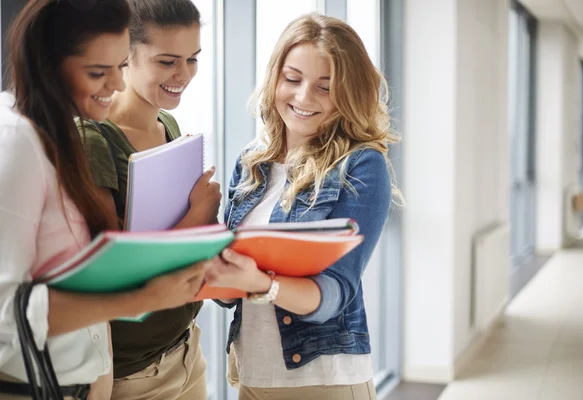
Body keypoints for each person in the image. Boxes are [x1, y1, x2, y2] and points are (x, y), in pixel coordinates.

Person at [0, 1, 207, 399]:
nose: (116, 84)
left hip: (87, 378)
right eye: (99, 72)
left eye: (118, 67)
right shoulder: (17, 142)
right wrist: (143, 297)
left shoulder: (53, 136)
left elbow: (83, 276)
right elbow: (8, 312)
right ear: (49, 65)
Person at [204, 12, 400, 400]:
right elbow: (227, 292)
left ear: (349, 94)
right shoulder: (252, 161)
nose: (303, 97)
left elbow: (333, 294)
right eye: (292, 79)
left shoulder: (361, 164)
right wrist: (201, 235)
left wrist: (261, 283)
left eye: (325, 88)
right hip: (251, 374)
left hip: (322, 380)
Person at [79, 0, 220, 399]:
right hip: (136, 373)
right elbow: (112, 276)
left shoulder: (167, 123)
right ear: (124, 56)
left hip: (187, 347)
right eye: (167, 61)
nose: (184, 74)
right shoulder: (93, 140)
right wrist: (200, 213)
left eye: (192, 59)